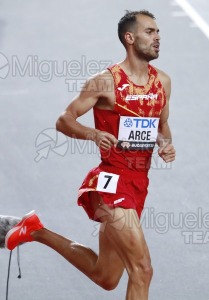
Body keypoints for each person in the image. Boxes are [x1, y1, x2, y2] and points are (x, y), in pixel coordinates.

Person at [3, 10, 176, 300]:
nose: (157, 37)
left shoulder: (163, 83)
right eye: (150, 32)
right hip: (111, 182)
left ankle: (35, 230)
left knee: (105, 276)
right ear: (129, 38)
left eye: (158, 32)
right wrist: (93, 134)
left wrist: (165, 144)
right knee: (142, 270)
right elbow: (64, 119)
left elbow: (161, 126)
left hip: (138, 184)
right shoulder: (105, 82)